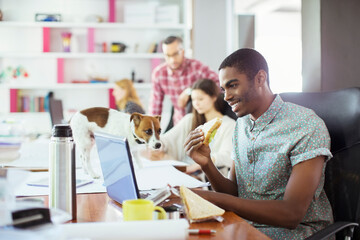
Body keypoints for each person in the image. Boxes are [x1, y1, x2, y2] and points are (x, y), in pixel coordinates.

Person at [183, 48, 333, 239]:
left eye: (233, 85)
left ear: (260, 78)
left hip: (297, 232)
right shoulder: (242, 125)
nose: (226, 96)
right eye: (224, 89)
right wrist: (207, 164)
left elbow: (291, 214)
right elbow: (236, 193)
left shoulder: (305, 125)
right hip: (246, 226)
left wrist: (213, 199)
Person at [153, 79, 235, 177]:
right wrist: (155, 145)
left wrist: (200, 164)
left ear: (213, 97)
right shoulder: (190, 119)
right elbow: (167, 139)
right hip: (184, 169)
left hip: (203, 174)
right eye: (193, 100)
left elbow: (227, 156)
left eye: (200, 99)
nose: (196, 103)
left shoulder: (229, 124)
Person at [149, 36, 218, 127]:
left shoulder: (196, 67)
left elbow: (218, 84)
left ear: (183, 51)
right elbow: (155, 107)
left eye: (175, 54)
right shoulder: (159, 74)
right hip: (179, 123)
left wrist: (190, 91)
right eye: (168, 55)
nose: (172, 60)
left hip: (201, 123)